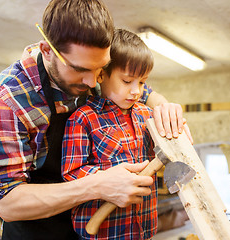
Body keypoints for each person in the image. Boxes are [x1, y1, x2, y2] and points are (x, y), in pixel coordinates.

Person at [0, 0, 192, 239]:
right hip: (37, 231)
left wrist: (165, 110)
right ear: (47, 50)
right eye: (80, 70)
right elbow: (8, 204)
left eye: (101, 68)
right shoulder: (6, 99)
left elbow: (147, 94)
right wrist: (97, 185)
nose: (92, 82)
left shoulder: (97, 72)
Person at [62, 28, 158, 239]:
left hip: (144, 226)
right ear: (101, 74)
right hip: (103, 230)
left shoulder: (146, 115)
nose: (137, 91)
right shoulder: (83, 118)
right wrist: (106, 180)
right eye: (127, 81)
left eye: (142, 82)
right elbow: (71, 173)